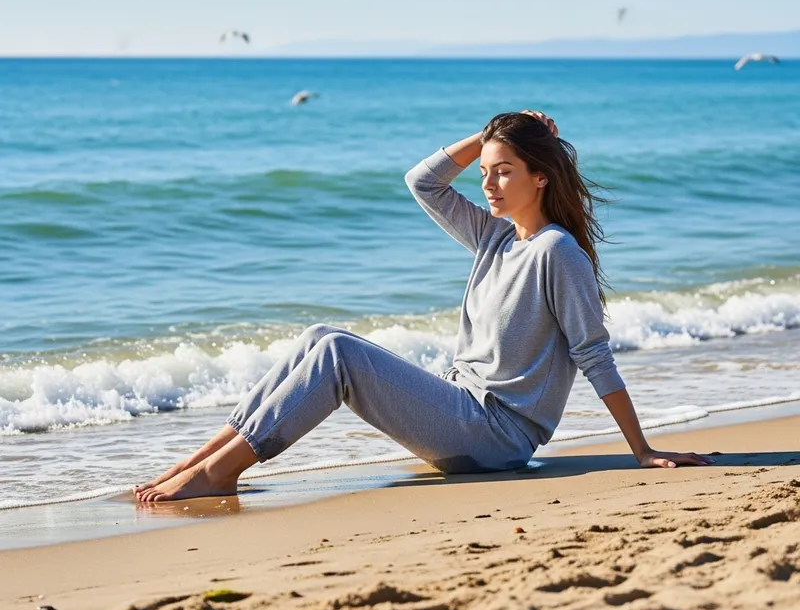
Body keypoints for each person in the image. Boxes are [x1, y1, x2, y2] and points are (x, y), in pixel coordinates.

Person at [135, 110, 710, 503]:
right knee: (319, 335)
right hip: (463, 407)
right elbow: (423, 181)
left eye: (505, 171)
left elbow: (593, 353)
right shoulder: (496, 238)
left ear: (541, 177)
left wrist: (643, 451)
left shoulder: (558, 252)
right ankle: (203, 463)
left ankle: (217, 473)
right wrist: (488, 133)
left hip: (498, 435)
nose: (490, 184)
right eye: (485, 173)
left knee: (337, 354)